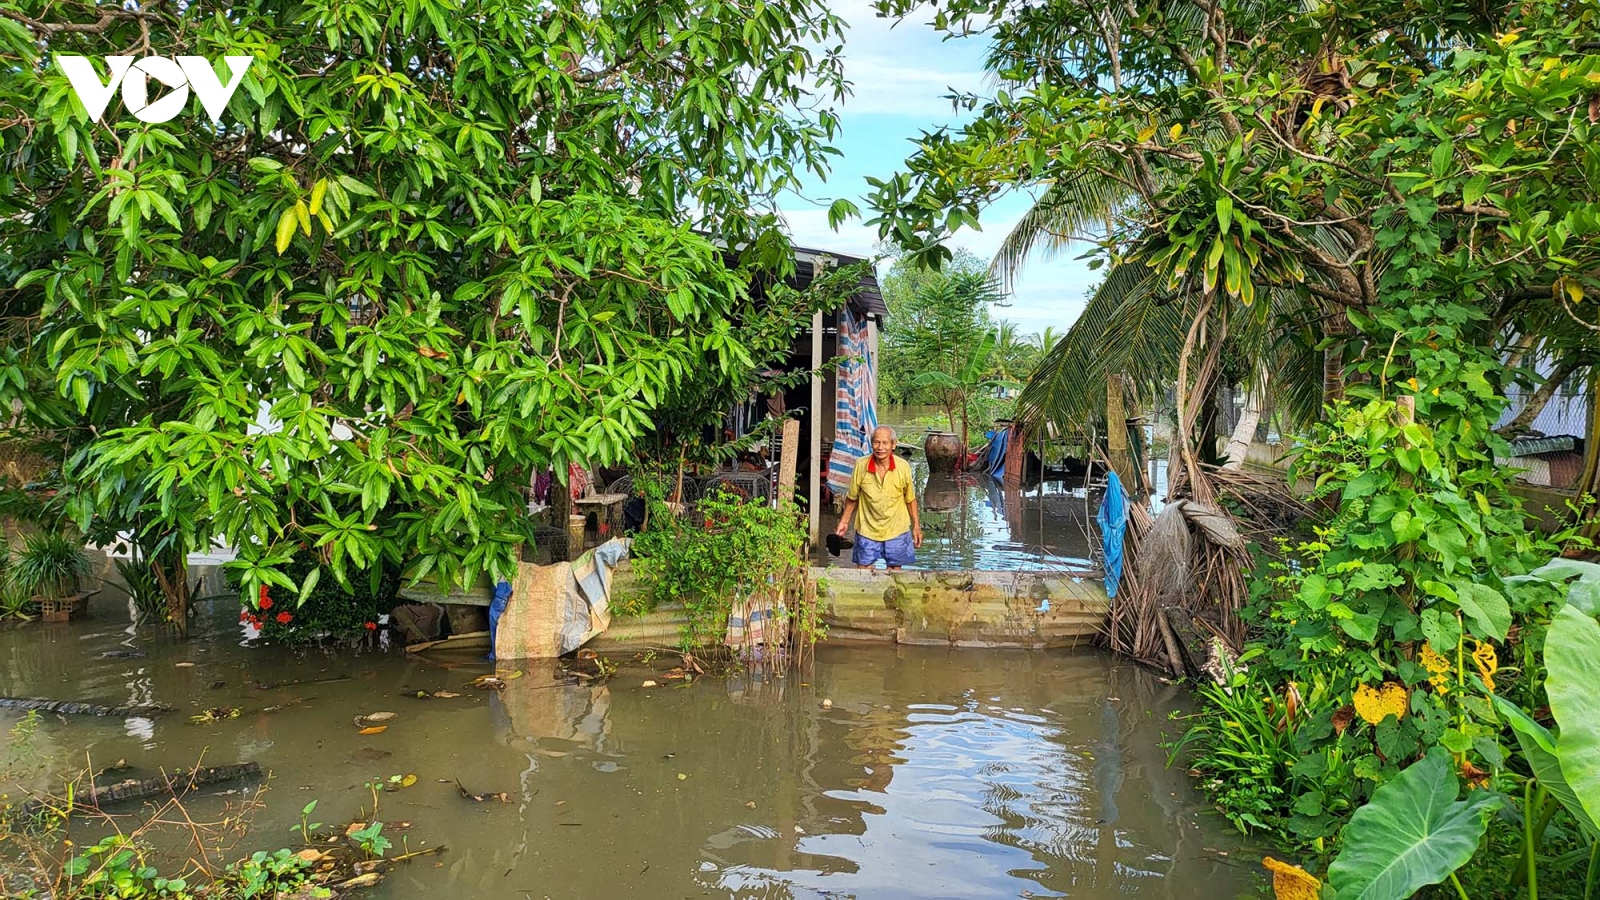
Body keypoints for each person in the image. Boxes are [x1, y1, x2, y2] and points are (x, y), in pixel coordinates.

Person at [835, 425, 923, 569]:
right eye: (876, 442)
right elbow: (852, 497)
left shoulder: (903, 467)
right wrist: (844, 522)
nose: (880, 447)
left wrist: (916, 526)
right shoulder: (861, 465)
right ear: (871, 444)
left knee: (895, 572)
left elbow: (910, 499)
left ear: (893, 445)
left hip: (897, 529)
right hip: (867, 529)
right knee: (863, 570)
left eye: (885, 443)